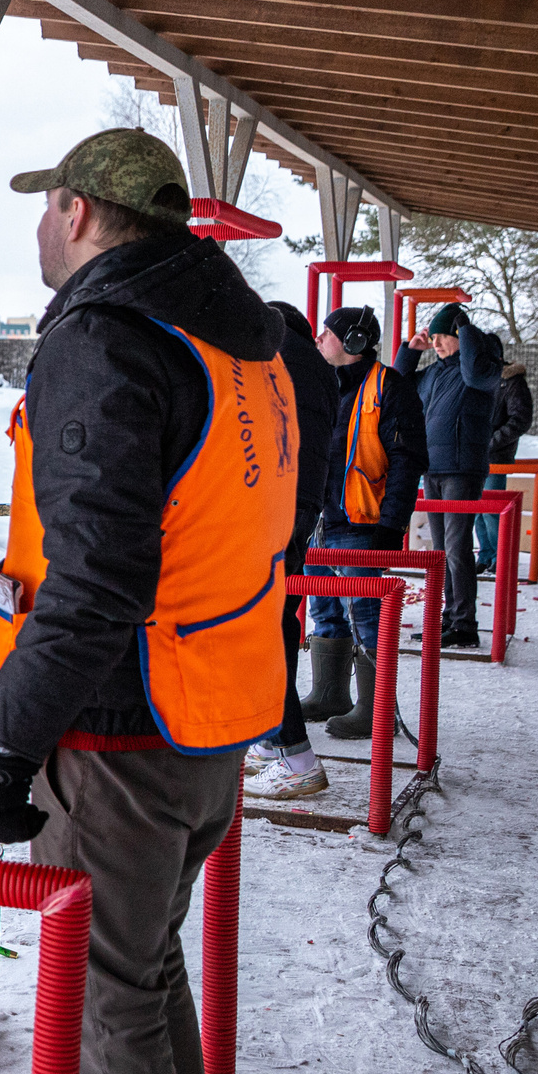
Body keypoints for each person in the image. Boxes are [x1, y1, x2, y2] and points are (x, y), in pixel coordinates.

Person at [0, 128, 294, 1074]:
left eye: (46, 208)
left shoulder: (102, 340)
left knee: (111, 1009)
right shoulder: (241, 333)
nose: (39, 232)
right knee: (144, 979)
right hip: (209, 711)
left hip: (119, 729)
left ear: (84, 214)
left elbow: (94, 584)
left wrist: (2, 751)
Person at [301, 306, 426, 743]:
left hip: (362, 523)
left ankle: (375, 710)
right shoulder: (322, 385)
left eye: (327, 333)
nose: (318, 339)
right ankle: (330, 692)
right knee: (324, 611)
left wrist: (391, 527)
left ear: (353, 343)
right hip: (319, 522)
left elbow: (408, 462)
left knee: (368, 618)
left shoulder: (391, 387)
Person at [240, 300, 337, 800]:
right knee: (281, 619)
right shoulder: (317, 368)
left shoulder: (274, 358)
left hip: (271, 502)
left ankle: (296, 754)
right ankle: (270, 740)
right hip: (302, 504)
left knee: (262, 627)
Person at [393, 302, 504, 647]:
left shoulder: (482, 367)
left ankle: (464, 624)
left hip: (462, 469)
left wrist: (466, 331)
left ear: (460, 337)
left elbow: (474, 373)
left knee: (456, 549)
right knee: (440, 552)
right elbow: (397, 386)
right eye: (435, 337)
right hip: (434, 469)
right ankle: (447, 619)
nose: (437, 344)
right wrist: (410, 351)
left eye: (443, 337)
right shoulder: (435, 373)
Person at [478, 359, 535, 578]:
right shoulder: (480, 377)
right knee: (476, 511)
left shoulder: (512, 381)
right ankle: (485, 555)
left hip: (495, 455)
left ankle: (498, 558)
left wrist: (492, 442)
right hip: (476, 453)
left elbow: (520, 418)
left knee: (491, 509)